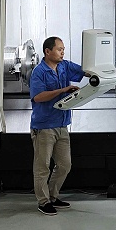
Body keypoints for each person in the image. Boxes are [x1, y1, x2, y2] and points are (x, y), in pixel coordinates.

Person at [29, 36, 88, 216]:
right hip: (44, 126)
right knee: (42, 167)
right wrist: (63, 90)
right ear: (48, 51)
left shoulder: (64, 66)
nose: (62, 52)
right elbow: (38, 97)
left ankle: (53, 197)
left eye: (63, 49)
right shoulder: (39, 72)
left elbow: (86, 71)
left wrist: (111, 71)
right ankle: (43, 201)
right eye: (59, 49)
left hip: (62, 124)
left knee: (64, 165)